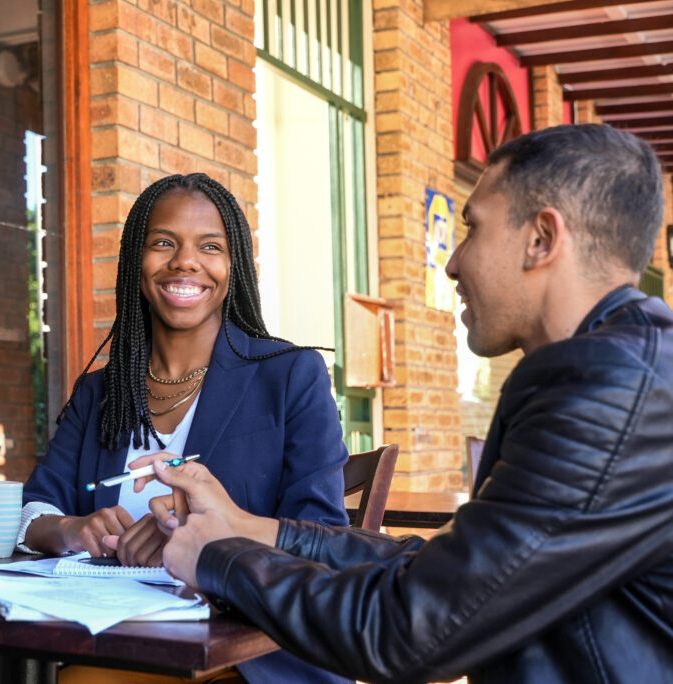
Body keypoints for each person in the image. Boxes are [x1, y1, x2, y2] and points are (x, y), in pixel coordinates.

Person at [150, 124, 673, 682]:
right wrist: (255, 530)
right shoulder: (630, 369)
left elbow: (412, 628)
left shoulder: (611, 389)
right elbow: (451, 574)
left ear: (541, 238)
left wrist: (218, 559)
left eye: (471, 229)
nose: (452, 263)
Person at [19, 173, 352, 683]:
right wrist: (70, 529)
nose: (185, 262)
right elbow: (34, 508)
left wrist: (206, 540)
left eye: (210, 246)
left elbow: (321, 539)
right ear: (137, 262)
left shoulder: (289, 377)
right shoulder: (99, 394)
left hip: (250, 654)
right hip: (119, 636)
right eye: (163, 243)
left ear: (232, 265)